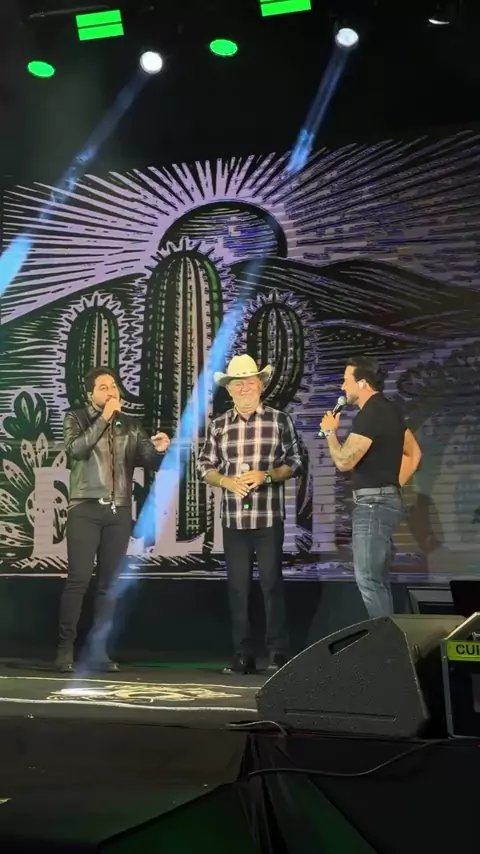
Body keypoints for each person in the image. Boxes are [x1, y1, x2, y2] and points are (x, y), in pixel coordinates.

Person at [56, 366, 170, 673]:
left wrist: (161, 450)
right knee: (78, 580)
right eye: (103, 387)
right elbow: (77, 450)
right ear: (90, 394)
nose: (111, 391)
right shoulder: (76, 417)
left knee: (109, 584)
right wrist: (104, 418)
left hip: (118, 511)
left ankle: (99, 651)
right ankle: (65, 649)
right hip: (85, 508)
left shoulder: (130, 424)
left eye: (113, 386)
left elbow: (151, 461)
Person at [198, 354, 303, 675]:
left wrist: (266, 476)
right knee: (238, 588)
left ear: (260, 385)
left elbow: (295, 462)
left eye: (249, 382)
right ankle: (242, 654)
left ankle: (278, 652)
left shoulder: (279, 420)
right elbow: (204, 466)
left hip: (268, 517)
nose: (244, 388)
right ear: (229, 390)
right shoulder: (219, 425)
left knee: (272, 584)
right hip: (234, 519)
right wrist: (227, 481)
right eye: (237, 384)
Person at [319, 356, 422, 618]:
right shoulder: (389, 410)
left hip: (373, 504)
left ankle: (386, 639)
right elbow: (414, 453)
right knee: (377, 579)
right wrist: (391, 484)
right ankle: (389, 636)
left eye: (346, 380)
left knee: (368, 578)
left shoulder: (371, 414)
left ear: (362, 383)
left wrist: (330, 432)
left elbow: (344, 461)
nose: (342, 386)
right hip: (382, 501)